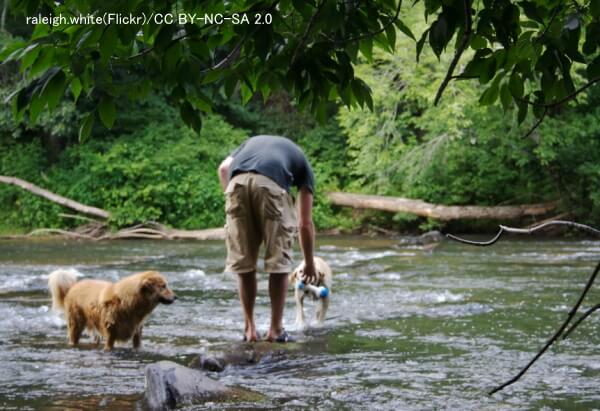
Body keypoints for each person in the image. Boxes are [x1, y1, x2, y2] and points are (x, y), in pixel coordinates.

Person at [218, 135, 317, 343]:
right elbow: (304, 224)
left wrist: (232, 201)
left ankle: (249, 330)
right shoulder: (303, 164)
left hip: (236, 184)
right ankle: (275, 330)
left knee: (244, 263)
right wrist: (309, 264)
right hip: (271, 187)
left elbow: (224, 169)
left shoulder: (248, 144)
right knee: (278, 261)